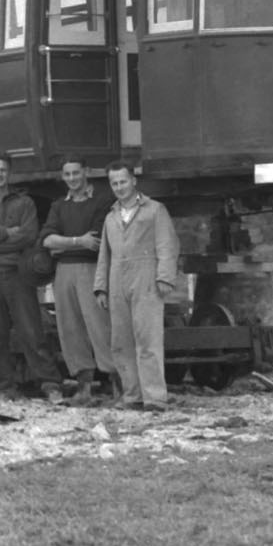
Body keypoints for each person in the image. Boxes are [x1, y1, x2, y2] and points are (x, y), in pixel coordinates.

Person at [0, 151, 62, 402]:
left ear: (9, 173)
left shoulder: (25, 203)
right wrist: (6, 233)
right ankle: (5, 386)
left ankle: (50, 383)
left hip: (17, 274)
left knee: (31, 330)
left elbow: (29, 235)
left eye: (3, 170)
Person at [93, 160, 181, 412]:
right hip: (117, 278)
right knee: (121, 342)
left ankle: (154, 397)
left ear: (133, 181)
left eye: (123, 181)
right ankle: (132, 395)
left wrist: (165, 277)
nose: (119, 187)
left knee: (148, 339)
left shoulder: (155, 210)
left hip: (146, 278)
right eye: (114, 183)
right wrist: (101, 287)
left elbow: (167, 244)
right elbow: (104, 254)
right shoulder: (110, 217)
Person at [38, 156, 115, 403]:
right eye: (67, 175)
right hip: (64, 272)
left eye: (76, 173)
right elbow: (47, 240)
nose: (72, 179)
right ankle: (84, 388)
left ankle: (118, 384)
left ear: (86, 172)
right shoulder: (59, 206)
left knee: (100, 326)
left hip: (92, 270)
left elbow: (96, 242)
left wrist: (65, 244)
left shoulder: (102, 201)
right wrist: (76, 241)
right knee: (70, 328)